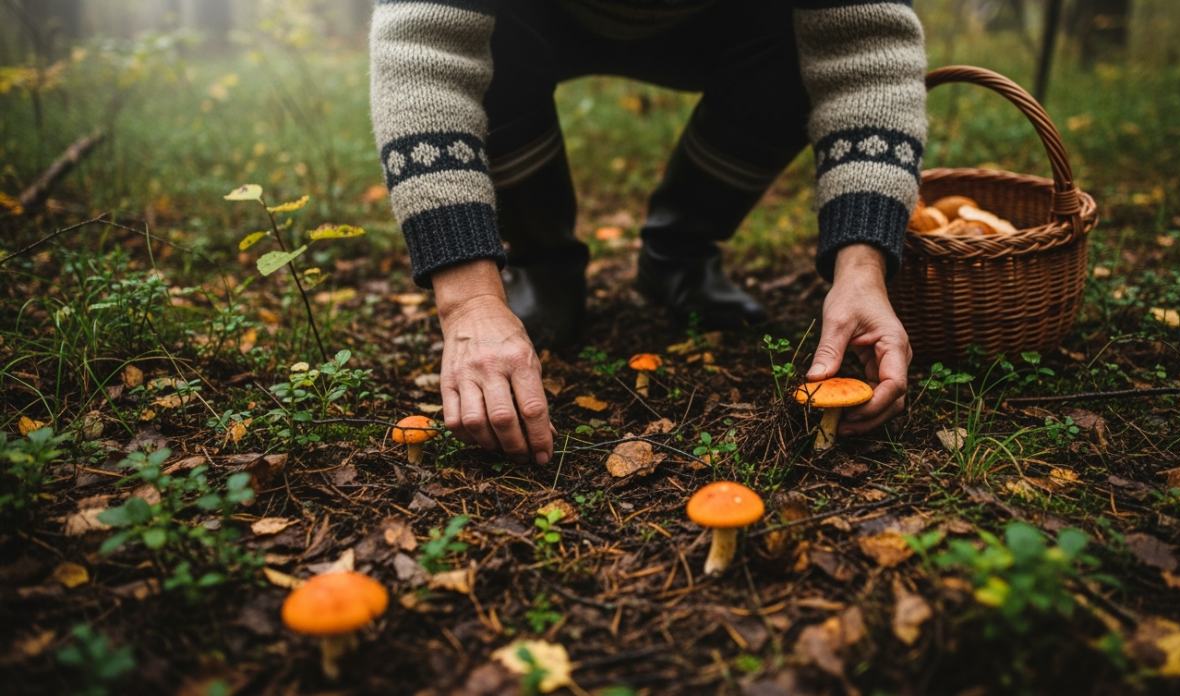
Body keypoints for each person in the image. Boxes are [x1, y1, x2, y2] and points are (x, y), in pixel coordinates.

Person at [370, 0, 924, 466]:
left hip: (725, 20)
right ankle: (542, 264)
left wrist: (862, 268)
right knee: (481, 36)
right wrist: (467, 302)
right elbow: (423, 53)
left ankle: (678, 255)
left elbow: (868, 50)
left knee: (798, 38)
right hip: (531, 18)